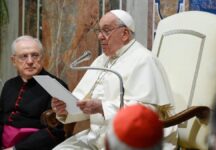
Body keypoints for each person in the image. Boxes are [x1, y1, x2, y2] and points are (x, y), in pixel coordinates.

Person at [52, 9, 177, 150]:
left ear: (124, 34)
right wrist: (66, 108)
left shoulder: (144, 60)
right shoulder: (102, 60)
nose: (100, 36)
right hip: (96, 137)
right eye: (99, 31)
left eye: (106, 30)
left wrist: (102, 107)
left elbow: (149, 112)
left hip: (132, 140)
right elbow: (83, 100)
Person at [0, 35, 68, 150]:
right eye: (23, 56)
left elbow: (56, 132)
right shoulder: (9, 85)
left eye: (35, 55)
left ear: (42, 58)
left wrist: (15, 148)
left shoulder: (56, 86)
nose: (30, 61)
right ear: (13, 60)